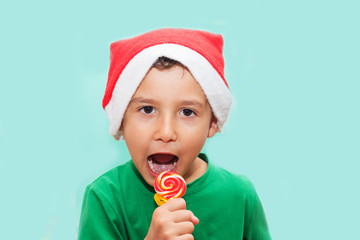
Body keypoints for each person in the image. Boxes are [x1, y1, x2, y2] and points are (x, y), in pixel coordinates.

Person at [78, 28, 271, 240]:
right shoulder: (105, 197)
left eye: (187, 112)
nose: (166, 132)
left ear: (212, 123)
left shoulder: (240, 195)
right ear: (121, 119)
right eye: (148, 110)